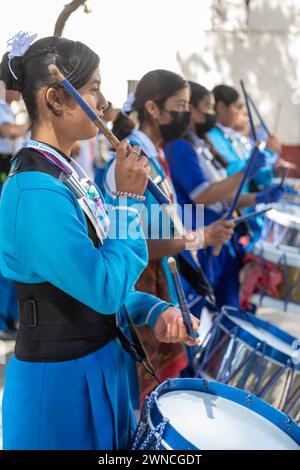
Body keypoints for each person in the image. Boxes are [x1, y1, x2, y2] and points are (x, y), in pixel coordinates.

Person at [0, 33, 199, 450]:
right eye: (93, 89)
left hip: (99, 367)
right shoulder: (34, 192)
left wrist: (153, 309)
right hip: (59, 390)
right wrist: (127, 200)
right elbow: (103, 289)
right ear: (56, 98)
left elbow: (98, 277)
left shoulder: (67, 175)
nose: (106, 103)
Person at [104, 70, 234, 399]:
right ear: (152, 108)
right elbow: (139, 241)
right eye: (180, 105)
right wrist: (201, 237)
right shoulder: (132, 161)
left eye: (189, 106)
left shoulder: (154, 155)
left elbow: (164, 221)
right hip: (139, 296)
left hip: (162, 291)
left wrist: (205, 233)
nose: (187, 115)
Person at [164, 81, 284, 308]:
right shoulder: (179, 148)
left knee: (227, 308)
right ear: (190, 110)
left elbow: (226, 196)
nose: (211, 114)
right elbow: (203, 195)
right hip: (202, 237)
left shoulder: (202, 145)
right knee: (202, 311)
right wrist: (246, 171)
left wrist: (260, 197)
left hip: (219, 237)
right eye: (207, 107)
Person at [0, 83, 28, 337]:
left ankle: (8, 318)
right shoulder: (2, 109)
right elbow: (7, 132)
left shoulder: (9, 108)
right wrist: (33, 121)